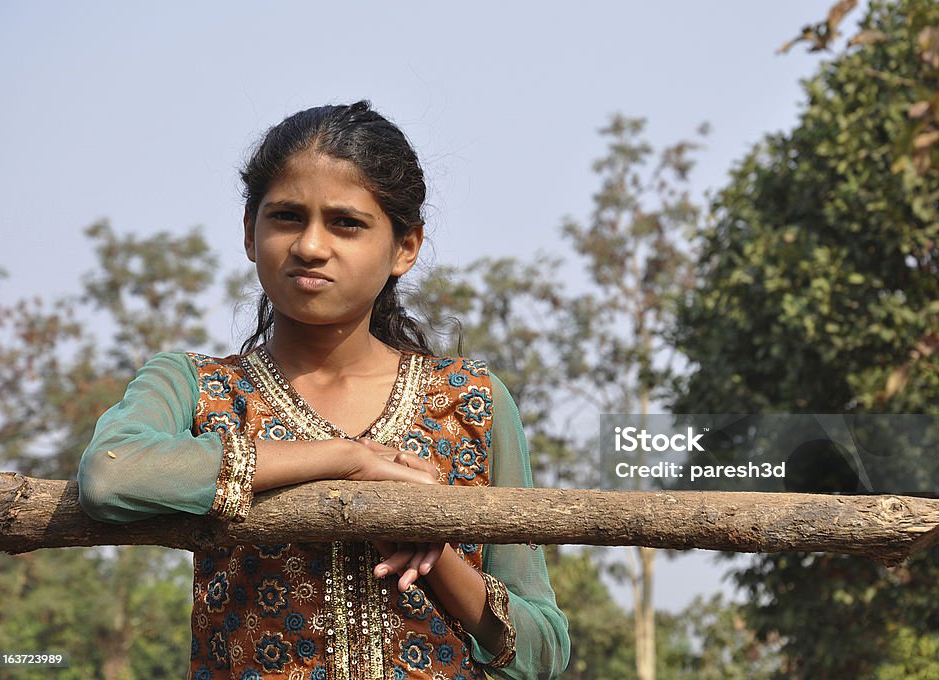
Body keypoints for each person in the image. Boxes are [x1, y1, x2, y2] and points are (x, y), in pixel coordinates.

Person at [77, 101, 571, 680]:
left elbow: (542, 651)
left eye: (346, 223)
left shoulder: (474, 402)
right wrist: (347, 459)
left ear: (404, 248)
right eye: (286, 217)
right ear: (248, 231)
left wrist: (433, 553)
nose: (311, 246)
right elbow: (111, 475)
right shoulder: (195, 386)